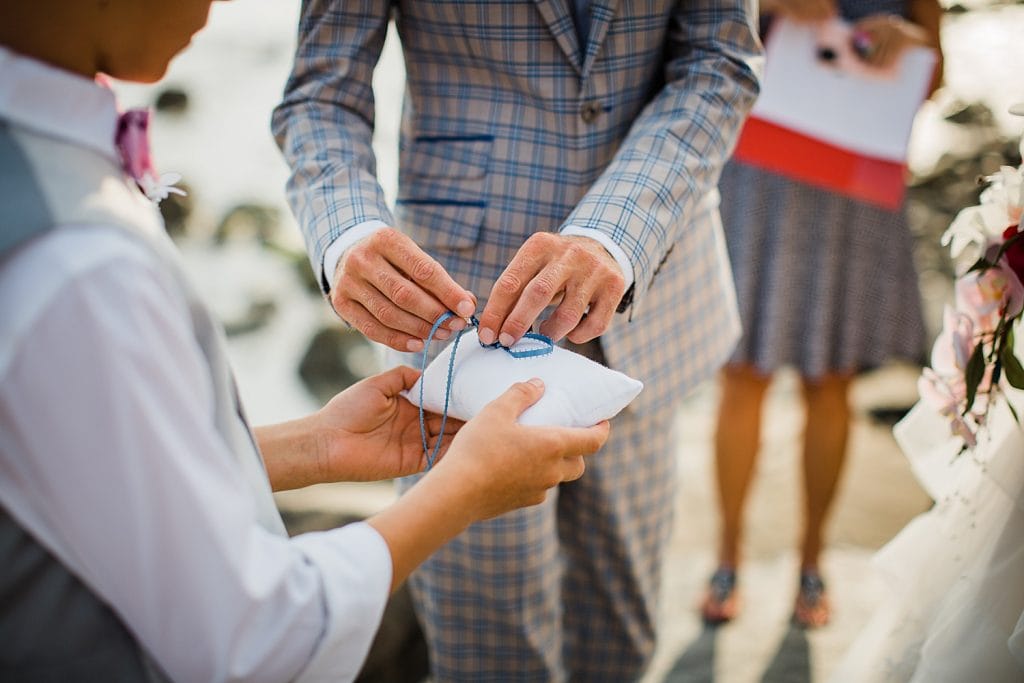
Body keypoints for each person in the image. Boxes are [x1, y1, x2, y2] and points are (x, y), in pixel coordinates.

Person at [0, 2, 610, 681]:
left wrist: (314, 445)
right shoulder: (77, 266)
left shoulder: (38, 183)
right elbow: (251, 638)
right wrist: (463, 488)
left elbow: (90, 470)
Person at [273, 1, 762, 679]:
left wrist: (617, 232)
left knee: (619, 637)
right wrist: (347, 231)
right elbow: (319, 94)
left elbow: (720, 63)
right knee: (489, 650)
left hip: (645, 299)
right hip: (454, 317)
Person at [700, 0, 942, 628]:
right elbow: (697, 28)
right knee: (743, 371)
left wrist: (906, 40)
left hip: (853, 175)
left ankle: (811, 565)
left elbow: (937, 74)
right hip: (762, 164)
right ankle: (727, 558)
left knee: (831, 378)